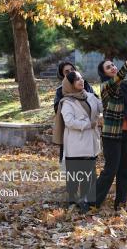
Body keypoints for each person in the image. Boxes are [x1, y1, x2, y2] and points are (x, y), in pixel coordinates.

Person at [96, 49, 127, 211]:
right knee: (111, 170)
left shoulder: (123, 85)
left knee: (126, 170)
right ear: (104, 73)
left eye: (113, 65)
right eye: (108, 67)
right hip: (111, 135)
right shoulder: (106, 87)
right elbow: (118, 77)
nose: (113, 68)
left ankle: (121, 204)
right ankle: (92, 202)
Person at [53, 71, 102, 213]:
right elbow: (69, 122)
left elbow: (101, 107)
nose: (80, 81)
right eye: (76, 80)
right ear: (70, 84)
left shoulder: (91, 96)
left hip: (91, 141)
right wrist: (89, 124)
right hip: (76, 143)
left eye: (81, 78)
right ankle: (72, 201)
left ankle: (87, 201)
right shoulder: (67, 102)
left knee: (90, 172)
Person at [53, 61, 96, 163]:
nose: (70, 72)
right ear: (62, 75)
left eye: (72, 70)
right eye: (67, 72)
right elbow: (58, 109)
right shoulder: (60, 91)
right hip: (72, 131)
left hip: (89, 132)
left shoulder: (86, 86)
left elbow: (95, 102)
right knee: (73, 163)